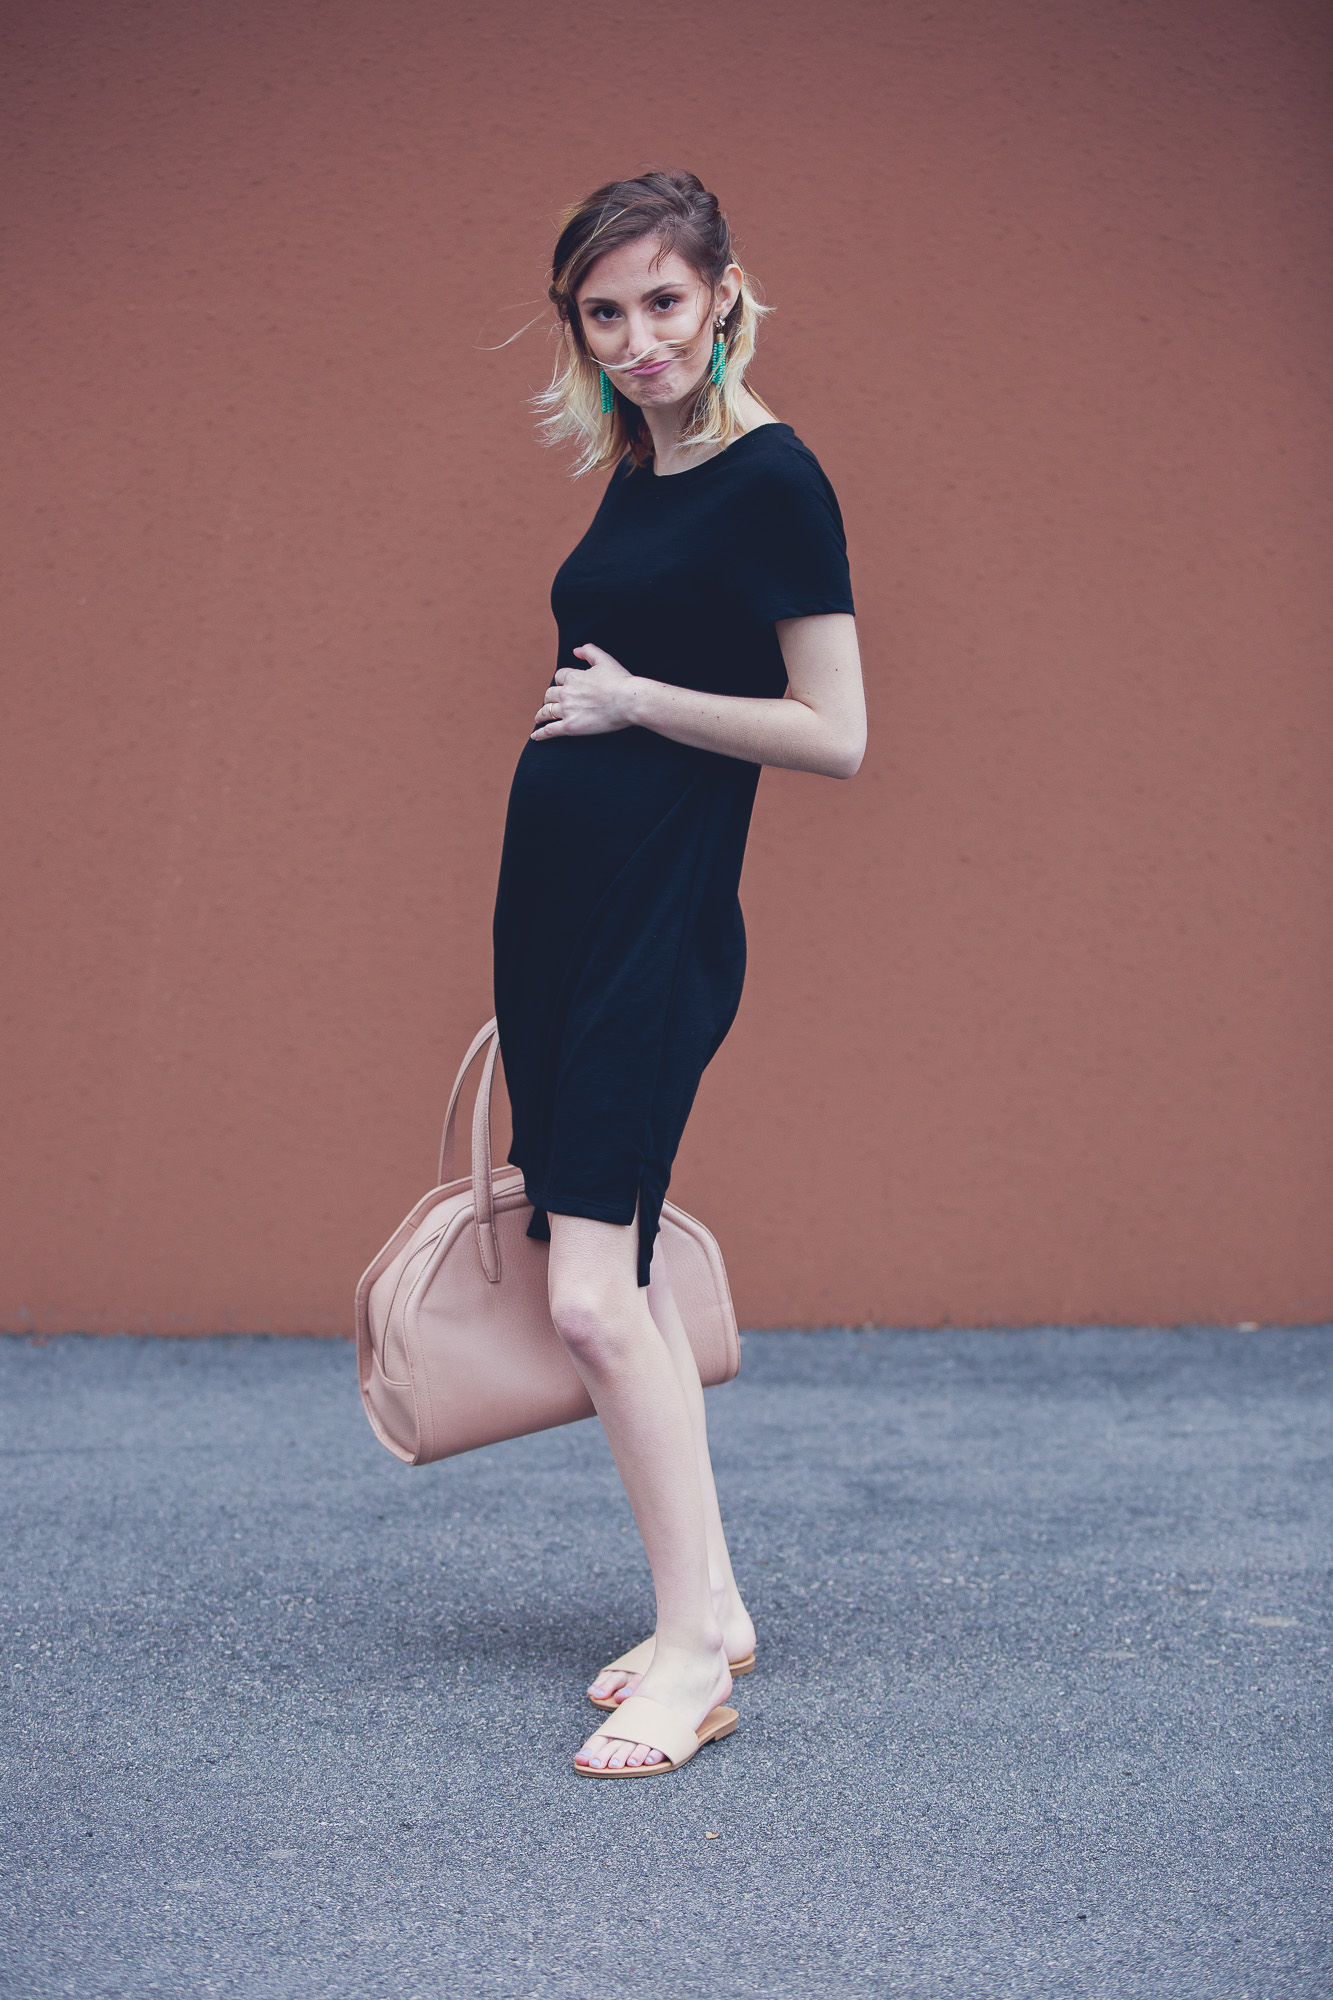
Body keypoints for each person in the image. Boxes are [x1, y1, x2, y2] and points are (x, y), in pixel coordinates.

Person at [491, 170, 865, 1776]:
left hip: (653, 921)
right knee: (611, 1279)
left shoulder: (775, 481)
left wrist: (638, 703)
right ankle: (701, 1598)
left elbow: (836, 734)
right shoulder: (645, 471)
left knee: (587, 1299)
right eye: (604, 311)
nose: (638, 338)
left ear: (722, 293)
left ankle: (694, 1661)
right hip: (563, 916)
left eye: (663, 300)